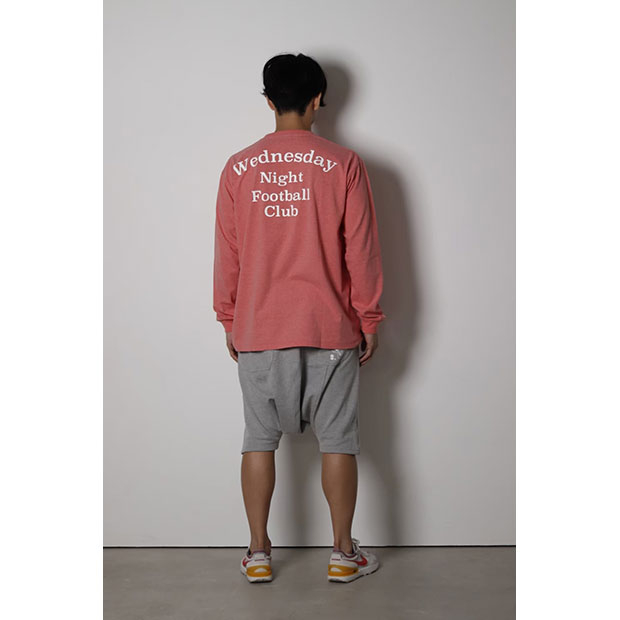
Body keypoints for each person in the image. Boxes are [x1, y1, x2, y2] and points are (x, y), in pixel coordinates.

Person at [213, 52, 386, 584]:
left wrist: (228, 317)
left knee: (258, 439)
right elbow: (361, 249)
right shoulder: (344, 163)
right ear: (317, 100)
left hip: (259, 328)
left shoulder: (237, 167)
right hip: (329, 329)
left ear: (269, 101)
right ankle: (342, 554)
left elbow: (228, 251)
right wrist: (369, 317)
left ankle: (258, 553)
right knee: (338, 441)